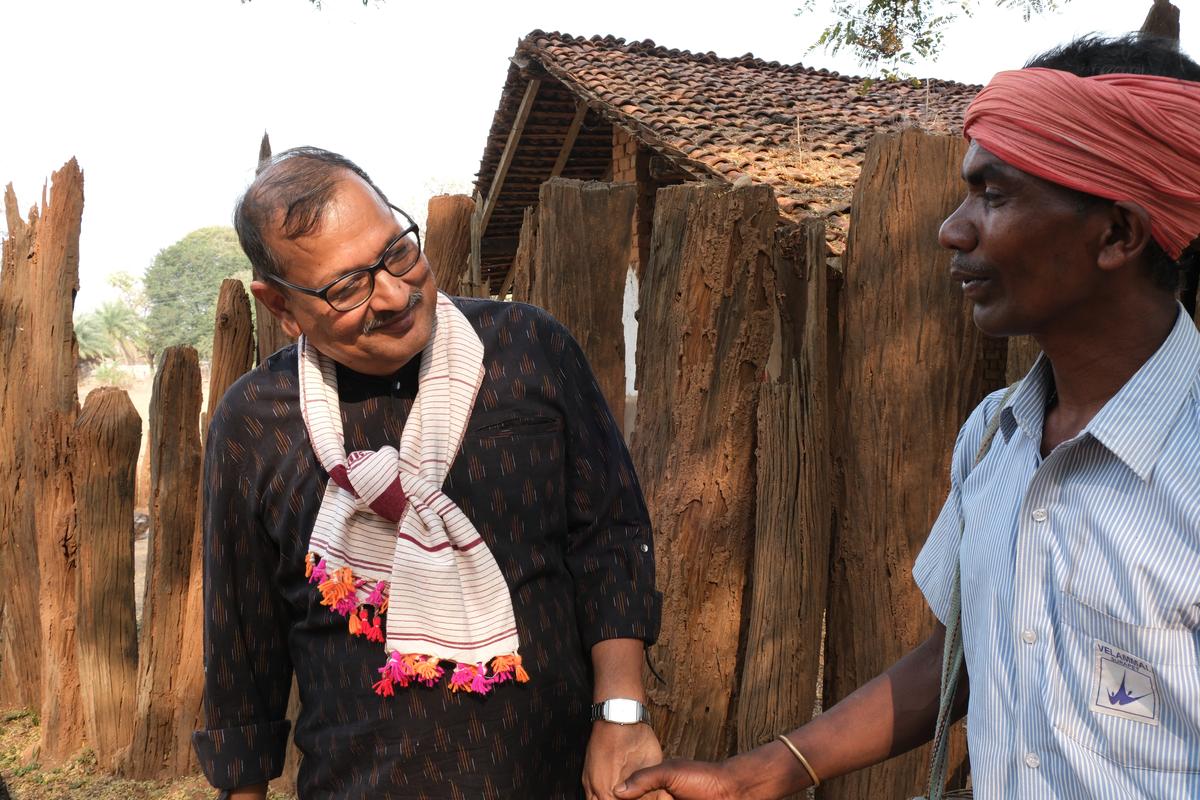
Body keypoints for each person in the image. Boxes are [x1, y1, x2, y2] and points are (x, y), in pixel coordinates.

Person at [615, 33, 1200, 800]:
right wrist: (757, 774)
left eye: (993, 194)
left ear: (1118, 233)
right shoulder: (995, 436)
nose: (952, 230)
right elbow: (956, 657)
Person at [192, 146, 666, 799]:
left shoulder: (528, 351)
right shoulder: (255, 423)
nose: (393, 294)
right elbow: (243, 644)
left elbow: (609, 540)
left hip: (559, 780)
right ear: (280, 305)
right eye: (346, 287)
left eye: (396, 252)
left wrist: (622, 713)